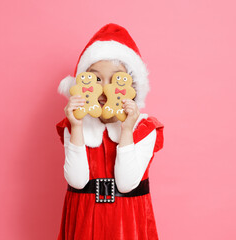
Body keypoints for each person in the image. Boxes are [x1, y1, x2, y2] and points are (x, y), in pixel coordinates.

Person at [56, 23, 164, 240]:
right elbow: (77, 181)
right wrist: (76, 126)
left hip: (127, 222)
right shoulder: (74, 126)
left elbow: (126, 183)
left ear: (132, 86)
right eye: (96, 79)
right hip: (84, 220)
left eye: (115, 80)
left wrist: (126, 129)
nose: (104, 89)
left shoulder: (144, 129)